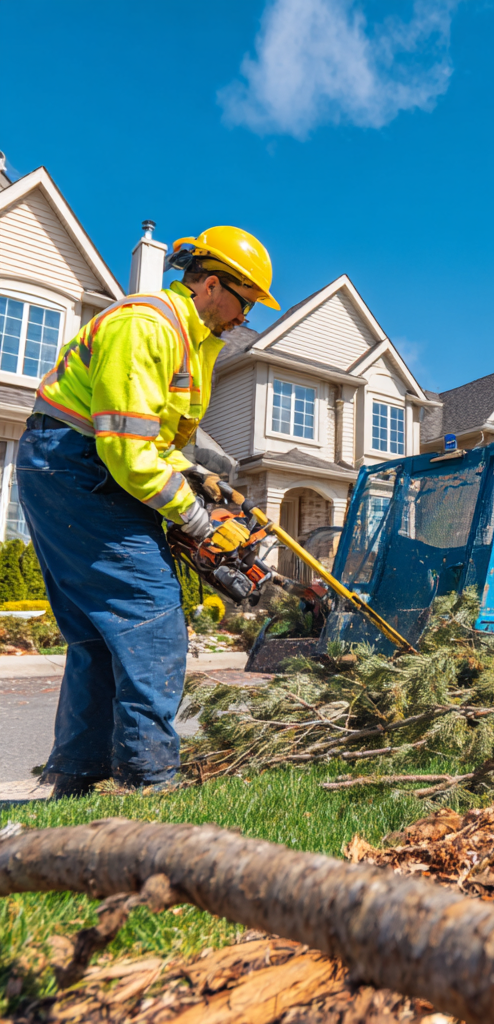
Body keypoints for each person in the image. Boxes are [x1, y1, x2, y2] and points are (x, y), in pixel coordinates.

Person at [18, 227, 279, 798]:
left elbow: (150, 442)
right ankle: (147, 781)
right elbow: (127, 449)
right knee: (150, 617)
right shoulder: (148, 326)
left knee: (95, 632)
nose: (245, 318)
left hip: (72, 464)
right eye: (245, 302)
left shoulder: (192, 335)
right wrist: (195, 518)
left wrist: (195, 476)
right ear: (213, 285)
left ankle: (77, 778)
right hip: (79, 464)